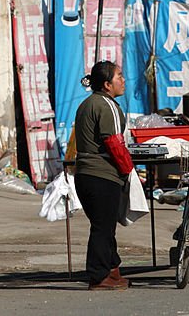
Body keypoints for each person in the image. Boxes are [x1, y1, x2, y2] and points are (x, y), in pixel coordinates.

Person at [74, 60, 133, 291]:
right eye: (119, 76)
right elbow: (114, 143)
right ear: (107, 85)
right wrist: (129, 170)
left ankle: (112, 269)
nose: (123, 80)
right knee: (102, 228)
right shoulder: (106, 105)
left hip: (86, 175)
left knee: (105, 226)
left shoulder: (87, 104)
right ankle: (98, 277)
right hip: (102, 175)